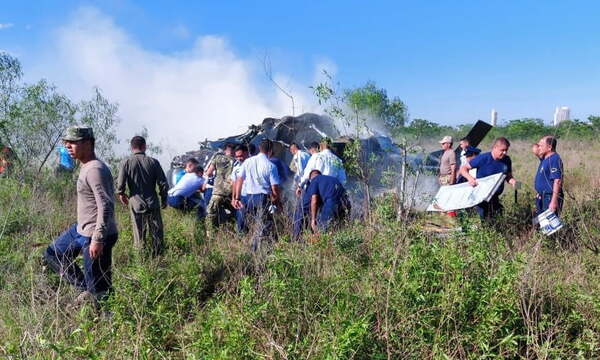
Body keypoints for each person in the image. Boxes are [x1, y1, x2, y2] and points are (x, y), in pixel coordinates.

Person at [43, 127, 118, 305]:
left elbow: (106, 204)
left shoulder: (94, 170)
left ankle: (107, 318)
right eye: (66, 142)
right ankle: (86, 289)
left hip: (95, 234)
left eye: (73, 142)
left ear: (88, 143)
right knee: (53, 253)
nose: (68, 146)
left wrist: (98, 239)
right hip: (81, 229)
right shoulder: (86, 166)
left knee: (100, 288)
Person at [116, 136, 169, 257]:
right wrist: (164, 199)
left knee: (139, 235)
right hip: (153, 203)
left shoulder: (126, 162)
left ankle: (141, 262)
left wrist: (122, 194)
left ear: (131, 147)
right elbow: (163, 184)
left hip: (135, 203)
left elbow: (120, 185)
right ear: (144, 146)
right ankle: (159, 259)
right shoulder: (153, 162)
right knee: (157, 234)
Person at [232, 139, 281, 251]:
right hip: (263, 198)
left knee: (252, 224)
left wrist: (237, 198)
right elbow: (275, 188)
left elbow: (239, 180)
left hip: (249, 197)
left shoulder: (248, 162)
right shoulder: (271, 166)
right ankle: (258, 250)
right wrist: (277, 202)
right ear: (270, 150)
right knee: (264, 225)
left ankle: (251, 247)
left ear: (259, 148)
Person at [459, 137, 518, 219]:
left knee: (498, 219)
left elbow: (508, 176)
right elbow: (463, 169)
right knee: (485, 220)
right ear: (495, 148)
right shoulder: (483, 158)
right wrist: (470, 178)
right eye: (502, 150)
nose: (504, 153)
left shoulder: (507, 160)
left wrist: (514, 182)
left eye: (506, 150)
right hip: (482, 197)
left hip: (495, 197)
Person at [205, 143, 236, 236]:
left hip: (218, 192)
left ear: (225, 150)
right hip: (231, 192)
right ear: (234, 151)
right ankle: (235, 231)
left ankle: (210, 235)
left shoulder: (217, 158)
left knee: (211, 213)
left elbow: (209, 173)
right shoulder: (236, 160)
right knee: (236, 212)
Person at [534, 136, 564, 215]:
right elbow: (534, 150)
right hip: (542, 196)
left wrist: (553, 201)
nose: (539, 148)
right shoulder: (544, 158)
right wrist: (539, 143)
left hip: (549, 197)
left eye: (541, 146)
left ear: (549, 147)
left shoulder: (554, 159)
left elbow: (557, 180)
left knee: (550, 225)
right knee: (541, 223)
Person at [230, 144, 249, 233]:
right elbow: (234, 183)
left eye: (241, 156)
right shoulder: (236, 167)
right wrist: (234, 198)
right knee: (241, 219)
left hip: (253, 194)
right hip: (242, 196)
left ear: (246, 153)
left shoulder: (253, 163)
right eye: (237, 156)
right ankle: (240, 237)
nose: (239, 158)